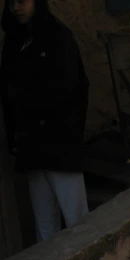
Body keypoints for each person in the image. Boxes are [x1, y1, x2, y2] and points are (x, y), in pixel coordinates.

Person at [1, 0, 90, 242]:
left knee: (77, 221)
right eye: (12, 3)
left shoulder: (58, 37)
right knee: (45, 224)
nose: (17, 8)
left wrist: (67, 133)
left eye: (23, 1)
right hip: (32, 146)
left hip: (60, 143)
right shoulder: (14, 41)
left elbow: (76, 89)